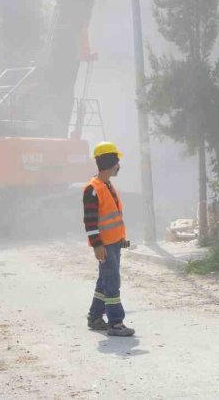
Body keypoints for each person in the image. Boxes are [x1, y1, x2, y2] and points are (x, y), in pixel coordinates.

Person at [84, 141, 134, 337]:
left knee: (104, 280)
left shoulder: (107, 185)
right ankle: (116, 323)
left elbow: (112, 218)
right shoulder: (93, 188)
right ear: (110, 162)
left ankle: (95, 317)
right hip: (104, 245)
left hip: (113, 243)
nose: (119, 166)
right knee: (112, 281)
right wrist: (97, 245)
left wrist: (121, 239)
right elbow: (90, 221)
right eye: (117, 162)